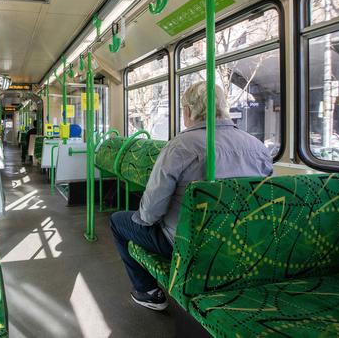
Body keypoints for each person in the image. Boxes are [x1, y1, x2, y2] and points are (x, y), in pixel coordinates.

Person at [110, 82, 273, 311]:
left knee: (118, 221)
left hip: (187, 243)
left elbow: (151, 211)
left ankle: (146, 290)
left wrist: (144, 219)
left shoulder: (179, 147)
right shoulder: (258, 148)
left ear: (187, 111)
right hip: (243, 242)